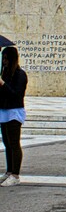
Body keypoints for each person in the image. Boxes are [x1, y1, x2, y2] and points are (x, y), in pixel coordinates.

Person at [0, 46, 28, 187]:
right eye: (3, 58)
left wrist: (2, 84)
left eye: (6, 58)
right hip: (4, 110)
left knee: (14, 143)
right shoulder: (4, 73)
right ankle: (9, 170)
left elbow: (16, 94)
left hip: (14, 111)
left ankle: (15, 174)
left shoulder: (20, 74)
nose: (4, 61)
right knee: (6, 142)